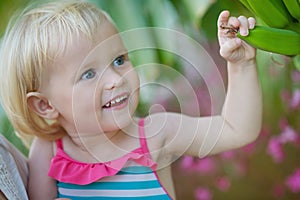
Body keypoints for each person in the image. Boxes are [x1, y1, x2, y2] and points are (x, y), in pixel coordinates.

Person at [0, 0, 262, 199]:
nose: (116, 79)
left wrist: (241, 66)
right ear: (45, 105)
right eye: (88, 74)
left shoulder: (156, 134)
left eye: (119, 60)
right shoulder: (48, 151)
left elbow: (236, 130)